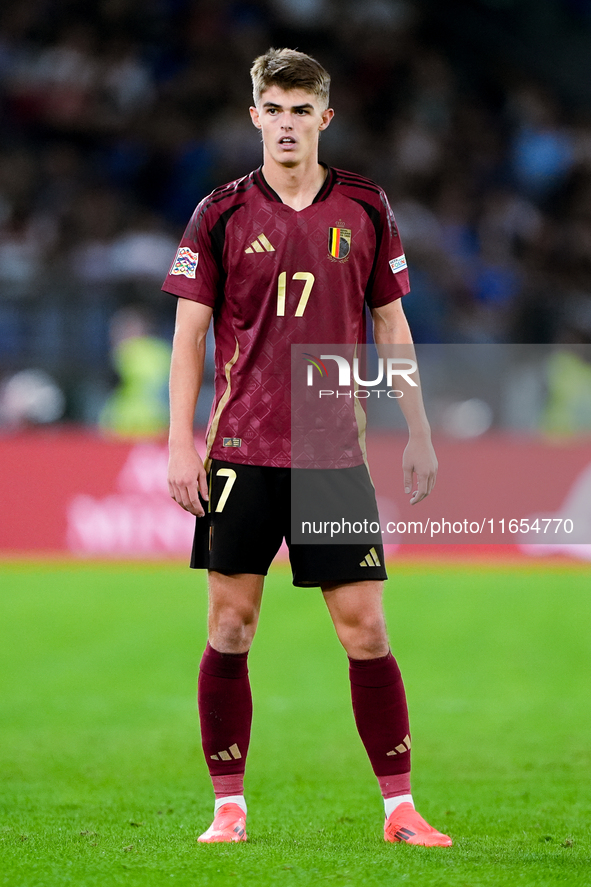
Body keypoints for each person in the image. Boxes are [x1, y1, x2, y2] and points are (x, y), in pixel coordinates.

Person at [162, 48, 451, 848]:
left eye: (301, 109)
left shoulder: (364, 206)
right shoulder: (218, 213)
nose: (286, 123)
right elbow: (188, 336)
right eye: (273, 108)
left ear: (325, 118)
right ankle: (228, 808)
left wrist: (418, 427)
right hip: (242, 451)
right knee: (231, 627)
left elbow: (390, 322)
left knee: (365, 630)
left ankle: (399, 808)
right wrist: (179, 442)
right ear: (252, 115)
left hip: (331, 454)